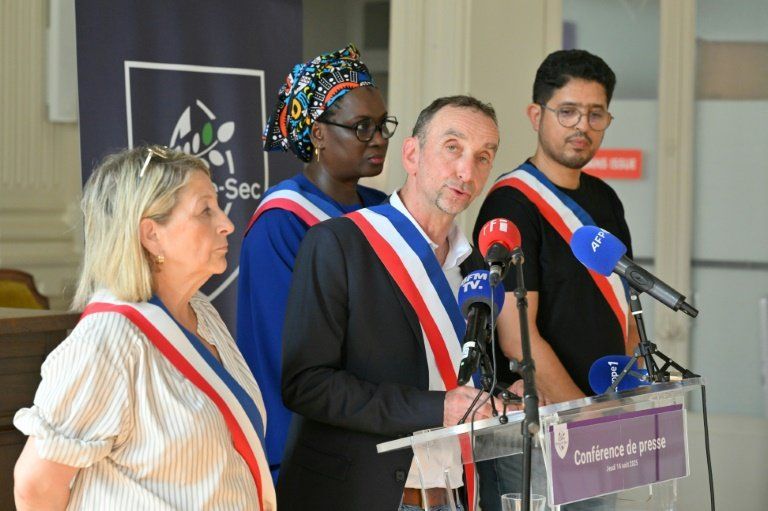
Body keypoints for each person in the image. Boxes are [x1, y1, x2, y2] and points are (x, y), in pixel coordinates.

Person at [277, 95, 510, 511]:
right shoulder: (338, 243)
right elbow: (307, 385)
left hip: (453, 496)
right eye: (452, 148)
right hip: (361, 497)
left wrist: (507, 393)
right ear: (412, 154)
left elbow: (468, 378)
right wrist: (437, 408)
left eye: (483, 157)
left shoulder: (477, 266)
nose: (466, 171)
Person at [13, 146, 275, 511]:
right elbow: (35, 487)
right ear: (151, 235)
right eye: (205, 210)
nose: (227, 223)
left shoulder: (201, 311)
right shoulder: (107, 341)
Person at [473, 49, 639, 510]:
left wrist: (620, 396)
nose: (581, 125)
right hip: (537, 425)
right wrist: (586, 417)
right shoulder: (511, 204)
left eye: (595, 114)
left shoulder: (605, 198)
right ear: (536, 115)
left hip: (598, 423)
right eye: (567, 111)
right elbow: (516, 338)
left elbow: (625, 307)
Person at [236, 45, 392, 481]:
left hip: (376, 432)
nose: (379, 138)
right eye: (362, 126)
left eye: (383, 125)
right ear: (319, 133)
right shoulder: (282, 222)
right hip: (305, 449)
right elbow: (286, 353)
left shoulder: (381, 208)